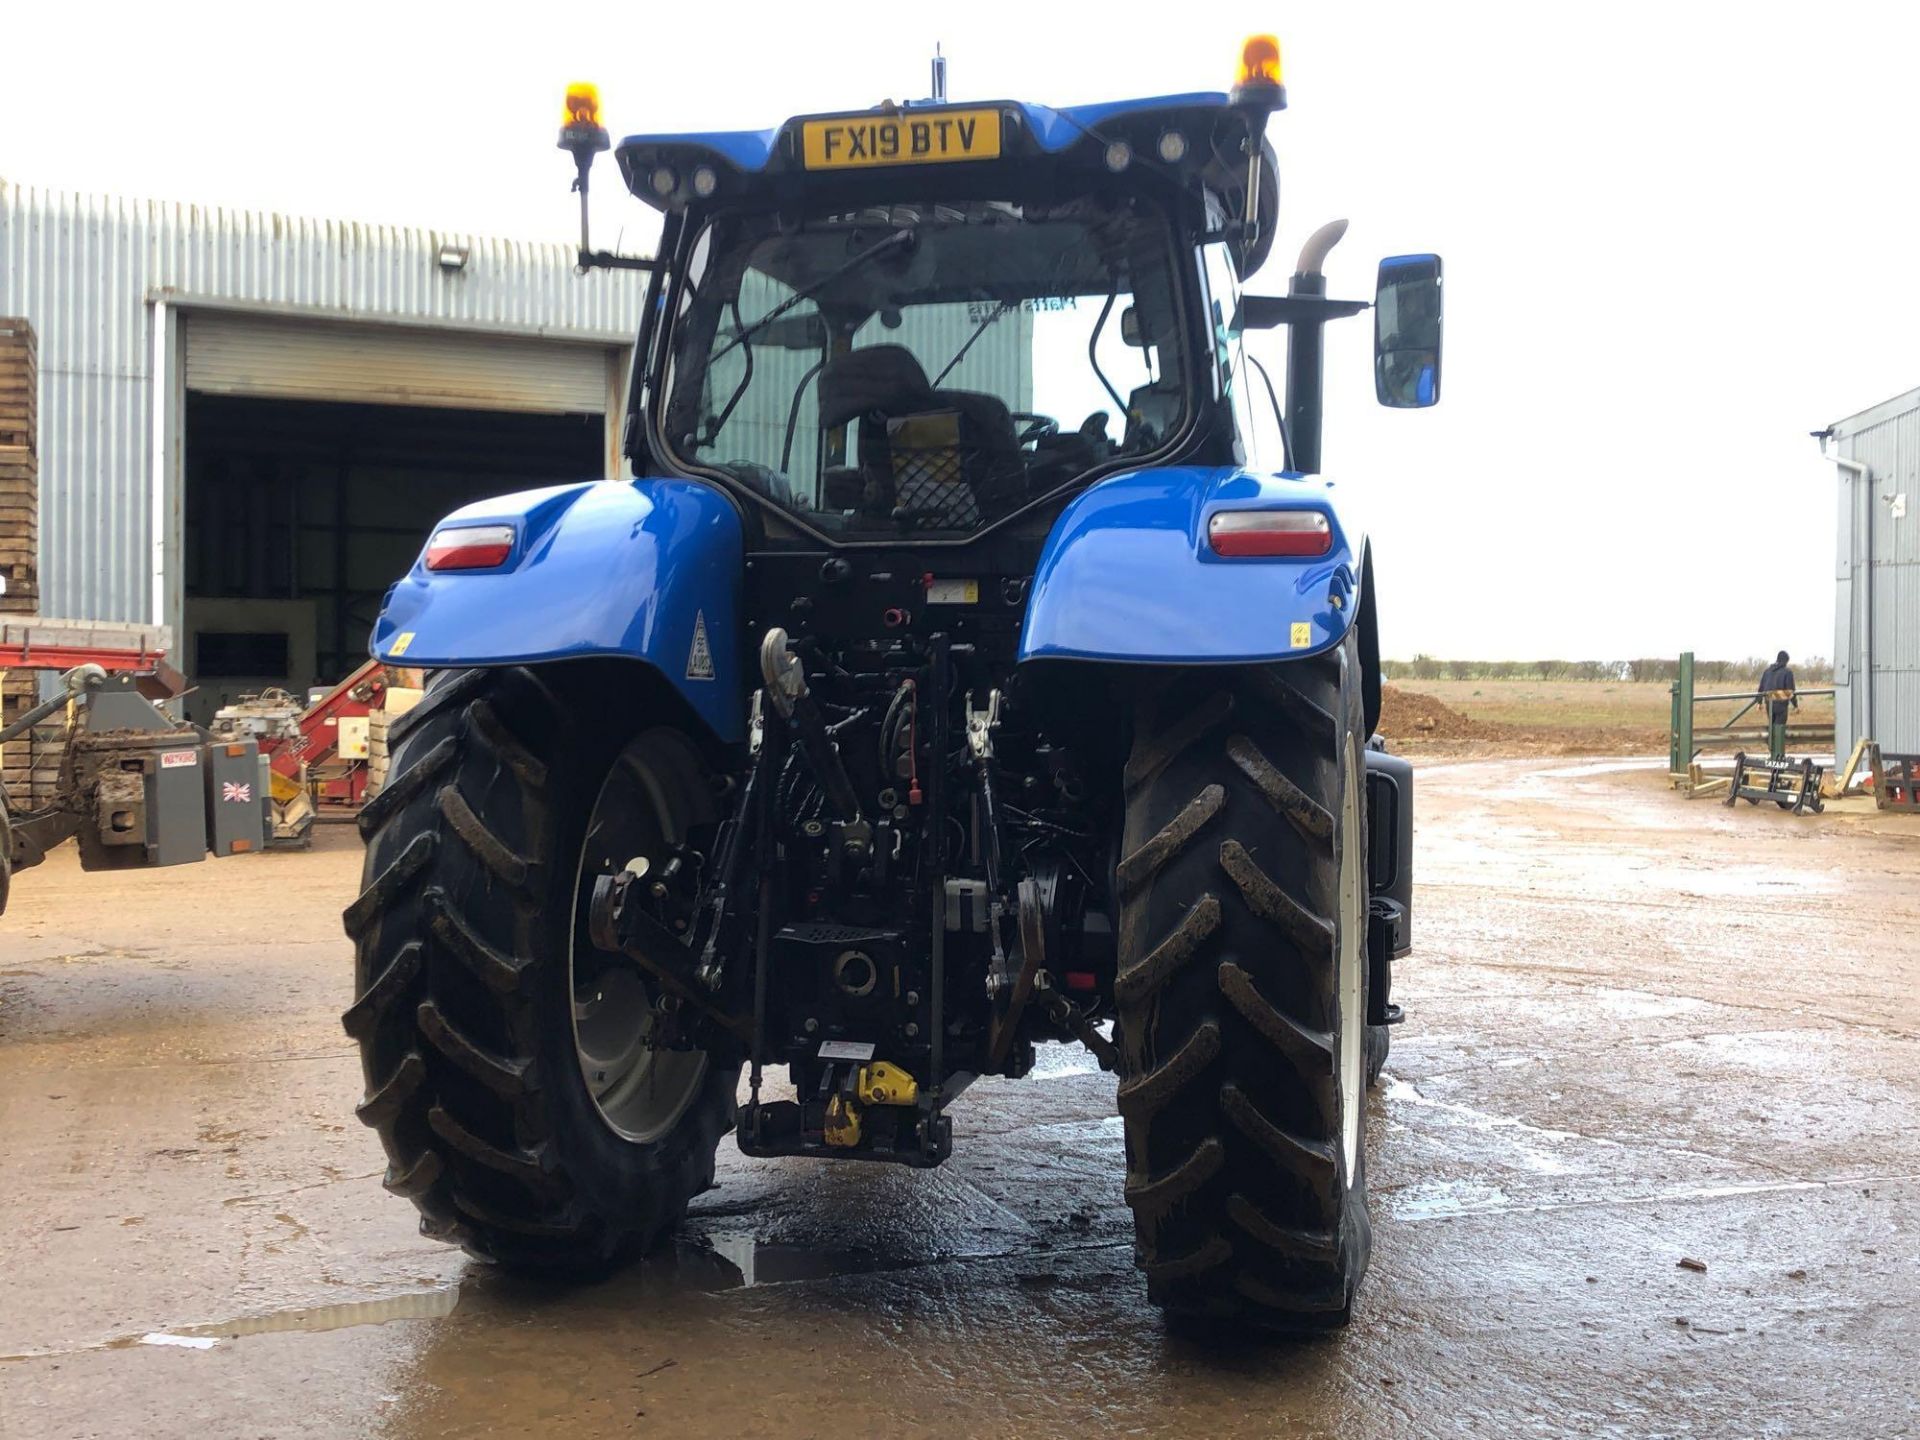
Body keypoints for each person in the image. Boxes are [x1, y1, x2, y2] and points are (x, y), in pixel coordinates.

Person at [1757, 650, 1798, 761]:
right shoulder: (1787, 672)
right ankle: (1778, 757)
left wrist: (1759, 702)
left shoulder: (1767, 671)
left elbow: (1761, 688)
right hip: (1781, 706)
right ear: (1785, 661)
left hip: (1769, 704)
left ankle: (1772, 753)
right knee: (1779, 730)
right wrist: (1795, 705)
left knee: (1772, 728)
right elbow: (1790, 691)